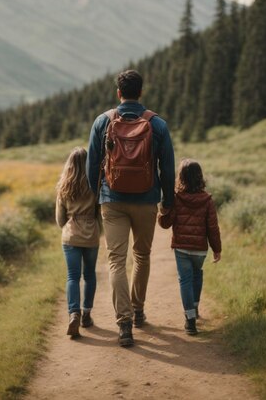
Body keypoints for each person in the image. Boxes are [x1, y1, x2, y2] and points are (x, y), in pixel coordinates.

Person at [87, 69, 175, 347]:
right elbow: (168, 168)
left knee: (116, 260)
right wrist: (168, 202)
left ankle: (123, 323)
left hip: (111, 200)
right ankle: (137, 311)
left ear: (118, 93)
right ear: (141, 92)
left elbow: (91, 166)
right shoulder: (157, 124)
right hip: (147, 199)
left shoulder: (103, 121)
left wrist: (94, 198)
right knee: (142, 256)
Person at [157, 159, 221, 335]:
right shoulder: (208, 200)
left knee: (185, 280)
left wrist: (162, 211)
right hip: (200, 249)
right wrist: (217, 249)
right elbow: (213, 228)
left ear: (181, 177)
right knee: (197, 275)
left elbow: (165, 224)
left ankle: (190, 319)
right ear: (200, 177)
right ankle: (195, 307)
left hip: (182, 249)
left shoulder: (177, 198)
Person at [56, 147, 101, 339]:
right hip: (91, 235)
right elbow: (100, 214)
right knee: (89, 274)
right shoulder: (95, 185)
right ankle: (87, 315)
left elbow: (60, 220)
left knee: (72, 277)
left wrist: (70, 223)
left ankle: (73, 313)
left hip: (71, 236)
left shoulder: (64, 187)